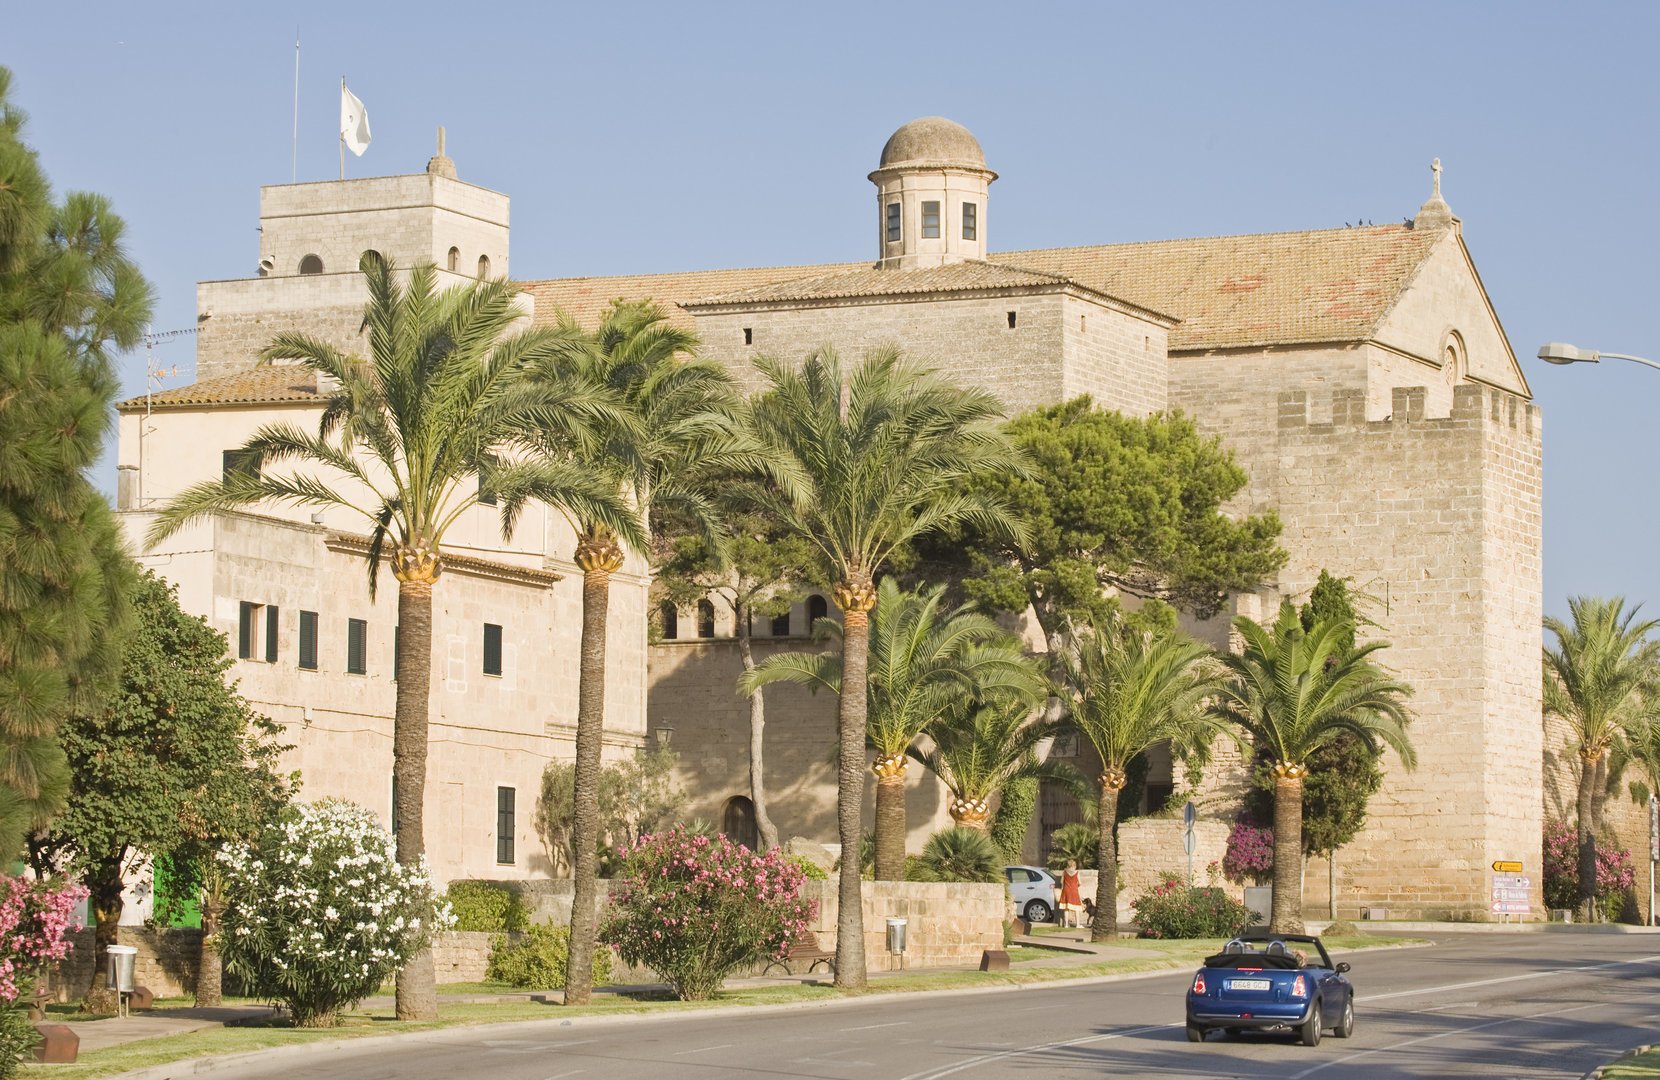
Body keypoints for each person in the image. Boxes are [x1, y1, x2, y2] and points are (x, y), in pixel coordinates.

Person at [1058, 860, 1084, 928]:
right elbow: (1080, 883)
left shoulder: (1064, 872)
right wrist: (1076, 886)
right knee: (1076, 908)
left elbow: (1061, 882)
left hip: (1066, 890)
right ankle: (1078, 924)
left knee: (1066, 908)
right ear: (1074, 865)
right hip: (1074, 891)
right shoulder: (1077, 872)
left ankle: (1066, 925)